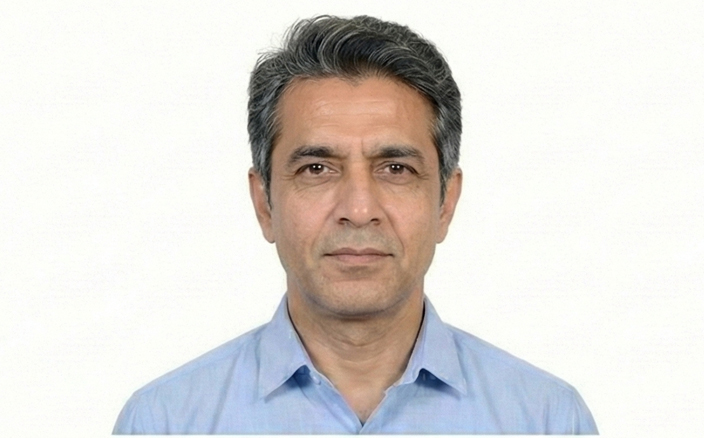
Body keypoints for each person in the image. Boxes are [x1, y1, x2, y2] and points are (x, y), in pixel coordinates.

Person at [113, 15, 598, 434]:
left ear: (445, 203)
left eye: (396, 169)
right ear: (264, 203)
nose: (360, 209)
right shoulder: (165, 423)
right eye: (317, 169)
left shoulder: (546, 420)